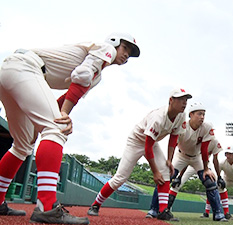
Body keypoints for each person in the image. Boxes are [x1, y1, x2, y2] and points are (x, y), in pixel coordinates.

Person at [0, 32, 140, 224]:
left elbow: (67, 96)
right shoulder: (104, 49)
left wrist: (60, 114)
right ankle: (47, 208)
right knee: (56, 131)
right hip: (25, 68)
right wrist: (63, 116)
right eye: (125, 48)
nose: (127, 55)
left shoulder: (97, 72)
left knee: (22, 146)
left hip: (12, 70)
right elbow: (81, 76)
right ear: (114, 44)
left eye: (130, 53)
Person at [87, 88, 191, 221]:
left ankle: (163, 211)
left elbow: (173, 138)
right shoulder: (158, 117)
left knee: (165, 170)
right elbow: (147, 148)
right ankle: (95, 205)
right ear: (171, 100)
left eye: (186, 100)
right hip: (136, 141)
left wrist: (169, 160)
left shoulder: (181, 115)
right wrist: (154, 172)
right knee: (120, 177)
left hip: (152, 143)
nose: (184, 103)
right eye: (181, 99)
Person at [146, 102, 228, 221]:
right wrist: (169, 161)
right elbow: (173, 144)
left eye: (204, 114)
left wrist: (206, 169)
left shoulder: (207, 126)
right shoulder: (182, 125)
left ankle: (218, 214)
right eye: (199, 114)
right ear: (191, 114)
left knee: (210, 181)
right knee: (165, 177)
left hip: (197, 157)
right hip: (181, 155)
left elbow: (204, 149)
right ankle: (154, 209)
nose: (202, 117)